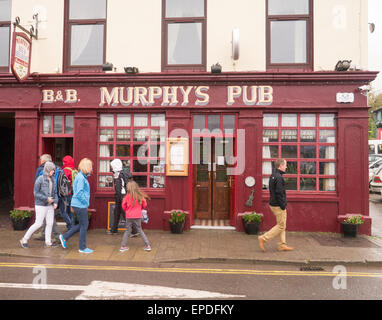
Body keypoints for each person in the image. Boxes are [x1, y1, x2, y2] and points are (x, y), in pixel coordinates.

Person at [20, 161, 58, 248]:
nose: (54, 171)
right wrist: (46, 198)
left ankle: (48, 242)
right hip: (41, 205)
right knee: (38, 223)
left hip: (50, 205)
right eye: (52, 170)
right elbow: (36, 193)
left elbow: (55, 192)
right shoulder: (40, 179)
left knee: (50, 223)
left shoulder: (53, 180)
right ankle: (24, 239)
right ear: (48, 169)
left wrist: (55, 202)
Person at [258, 158, 294, 252]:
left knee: (282, 224)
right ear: (281, 166)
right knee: (281, 226)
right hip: (278, 205)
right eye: (285, 165)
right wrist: (283, 205)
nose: (286, 166)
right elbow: (279, 193)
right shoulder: (279, 177)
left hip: (273, 204)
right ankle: (264, 238)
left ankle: (282, 245)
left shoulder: (273, 175)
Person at [59, 158, 94, 253]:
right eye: (90, 167)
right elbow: (79, 193)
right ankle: (82, 248)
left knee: (83, 224)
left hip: (78, 205)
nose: (92, 169)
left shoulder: (81, 176)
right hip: (80, 205)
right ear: (86, 167)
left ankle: (64, 237)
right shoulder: (81, 178)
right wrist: (85, 202)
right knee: (84, 225)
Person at [107, 159, 138, 236]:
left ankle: (135, 230)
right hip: (120, 196)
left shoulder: (120, 175)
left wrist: (121, 198)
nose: (111, 168)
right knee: (116, 212)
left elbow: (122, 187)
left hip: (122, 196)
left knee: (126, 214)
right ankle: (114, 230)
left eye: (112, 166)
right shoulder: (118, 174)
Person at [34, 154, 60, 243]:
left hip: (46, 198)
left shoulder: (41, 170)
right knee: (48, 219)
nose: (40, 162)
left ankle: (58, 237)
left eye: (41, 161)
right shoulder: (58, 168)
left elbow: (37, 187)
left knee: (50, 220)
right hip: (55, 196)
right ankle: (44, 235)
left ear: (44, 162)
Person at [120, 181, 151, 252]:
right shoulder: (140, 196)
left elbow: (123, 206)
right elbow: (144, 204)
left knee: (127, 231)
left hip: (128, 216)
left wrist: (127, 210)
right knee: (140, 230)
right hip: (137, 215)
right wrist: (140, 209)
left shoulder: (126, 197)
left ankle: (123, 246)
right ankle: (147, 245)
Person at [60, 155, 76, 230]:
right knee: (71, 211)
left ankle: (70, 226)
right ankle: (72, 225)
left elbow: (62, 183)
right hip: (73, 193)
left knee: (63, 211)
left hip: (66, 194)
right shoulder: (74, 170)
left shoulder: (65, 171)